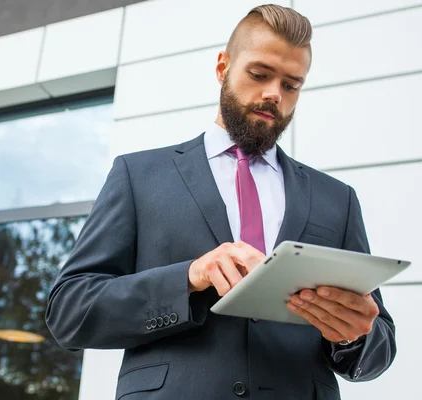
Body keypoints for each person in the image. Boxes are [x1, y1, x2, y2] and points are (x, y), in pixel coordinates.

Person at [45, 4, 396, 399]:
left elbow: (379, 341)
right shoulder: (138, 176)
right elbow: (70, 311)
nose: (272, 94)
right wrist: (189, 277)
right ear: (222, 67)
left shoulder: (338, 199)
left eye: (291, 85)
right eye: (260, 74)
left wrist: (352, 337)